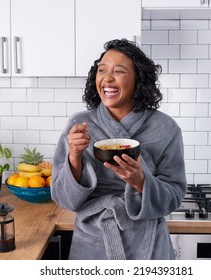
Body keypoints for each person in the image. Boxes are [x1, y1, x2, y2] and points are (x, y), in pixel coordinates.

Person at [51, 38, 187, 260]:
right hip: (92, 242)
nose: (107, 78)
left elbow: (174, 196)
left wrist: (140, 182)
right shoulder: (80, 125)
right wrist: (74, 157)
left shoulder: (165, 129)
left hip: (148, 244)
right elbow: (63, 199)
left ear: (138, 80)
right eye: (102, 70)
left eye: (119, 71)